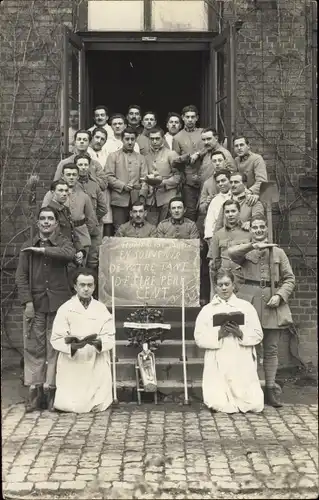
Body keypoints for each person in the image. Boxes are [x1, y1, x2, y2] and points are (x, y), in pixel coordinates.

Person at [228, 216, 296, 407]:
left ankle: (270, 390)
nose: (258, 230)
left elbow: (290, 279)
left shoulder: (279, 253)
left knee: (271, 349)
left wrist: (280, 295)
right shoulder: (245, 250)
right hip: (249, 303)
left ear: (266, 230)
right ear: (251, 231)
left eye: (261, 227)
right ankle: (252, 389)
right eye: (255, 227)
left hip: (272, 303)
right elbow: (231, 254)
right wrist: (252, 246)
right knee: (250, 348)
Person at [15, 207, 76, 412]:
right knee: (34, 347)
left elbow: (69, 255)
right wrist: (28, 303)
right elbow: (21, 278)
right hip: (36, 304)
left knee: (55, 347)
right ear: (38, 223)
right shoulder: (27, 248)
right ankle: (35, 391)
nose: (46, 222)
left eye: (50, 219)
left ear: (56, 223)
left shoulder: (64, 244)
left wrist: (43, 250)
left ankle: (52, 391)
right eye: (43, 219)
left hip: (59, 305)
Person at [194, 269, 264, 414]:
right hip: (219, 356)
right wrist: (218, 334)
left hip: (240, 355)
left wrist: (240, 333)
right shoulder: (207, 310)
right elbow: (199, 338)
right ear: (216, 287)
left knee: (252, 403)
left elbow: (258, 334)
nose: (224, 288)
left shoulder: (246, 307)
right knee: (218, 402)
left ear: (233, 285)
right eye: (220, 285)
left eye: (227, 284)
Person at [51, 268, 115, 413]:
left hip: (95, 358)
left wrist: (98, 342)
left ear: (94, 287)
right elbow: (56, 339)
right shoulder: (66, 309)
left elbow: (109, 336)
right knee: (71, 404)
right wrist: (73, 346)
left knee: (98, 402)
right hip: (73, 360)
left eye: (90, 285)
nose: (86, 289)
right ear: (75, 286)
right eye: (82, 285)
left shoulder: (101, 309)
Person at [43, 164, 100, 266]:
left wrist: (82, 230)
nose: (71, 177)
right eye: (68, 174)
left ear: (78, 177)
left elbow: (91, 218)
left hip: (80, 237)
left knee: (80, 270)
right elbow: (45, 216)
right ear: (62, 176)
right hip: (59, 241)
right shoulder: (51, 194)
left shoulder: (84, 195)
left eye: (74, 175)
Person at [105, 127, 148, 232]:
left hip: (136, 199)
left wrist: (142, 196)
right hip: (119, 199)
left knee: (138, 228)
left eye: (132, 139)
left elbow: (145, 179)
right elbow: (108, 176)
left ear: (135, 140)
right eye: (127, 139)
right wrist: (122, 185)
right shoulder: (113, 156)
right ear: (122, 140)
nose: (130, 142)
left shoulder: (141, 158)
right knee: (119, 229)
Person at [207, 200, 252, 298]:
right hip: (225, 284)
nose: (230, 214)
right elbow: (214, 264)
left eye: (233, 211)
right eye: (227, 212)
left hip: (244, 283)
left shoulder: (249, 232)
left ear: (239, 212)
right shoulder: (218, 234)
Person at [172, 105, 204, 221]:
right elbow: (175, 161)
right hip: (188, 180)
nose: (190, 119)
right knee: (190, 210)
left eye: (192, 117)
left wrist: (199, 153)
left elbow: (210, 147)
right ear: (183, 118)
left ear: (197, 118)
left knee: (204, 208)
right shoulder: (177, 137)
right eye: (187, 117)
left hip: (204, 176)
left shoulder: (203, 133)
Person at [145, 126, 181, 225]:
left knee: (167, 227)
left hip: (167, 197)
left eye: (157, 138)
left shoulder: (171, 154)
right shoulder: (146, 156)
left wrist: (163, 183)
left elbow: (178, 177)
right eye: (152, 139)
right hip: (151, 199)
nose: (154, 141)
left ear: (163, 139)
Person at [45, 180, 85, 267]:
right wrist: (73, 253)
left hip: (69, 255)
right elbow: (56, 237)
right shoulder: (49, 212)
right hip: (59, 258)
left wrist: (80, 250)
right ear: (52, 192)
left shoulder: (65, 210)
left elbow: (72, 233)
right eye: (60, 190)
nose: (64, 194)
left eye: (66, 191)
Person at [233, 136, 268, 206]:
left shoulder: (257, 159)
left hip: (255, 197)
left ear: (248, 146)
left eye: (241, 145)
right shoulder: (236, 160)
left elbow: (262, 181)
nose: (239, 148)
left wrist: (250, 191)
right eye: (236, 146)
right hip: (240, 198)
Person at [204, 170, 232, 240]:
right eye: (218, 182)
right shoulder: (215, 200)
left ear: (230, 180)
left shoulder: (237, 196)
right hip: (219, 236)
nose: (220, 184)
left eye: (223, 180)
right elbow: (210, 221)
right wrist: (210, 238)